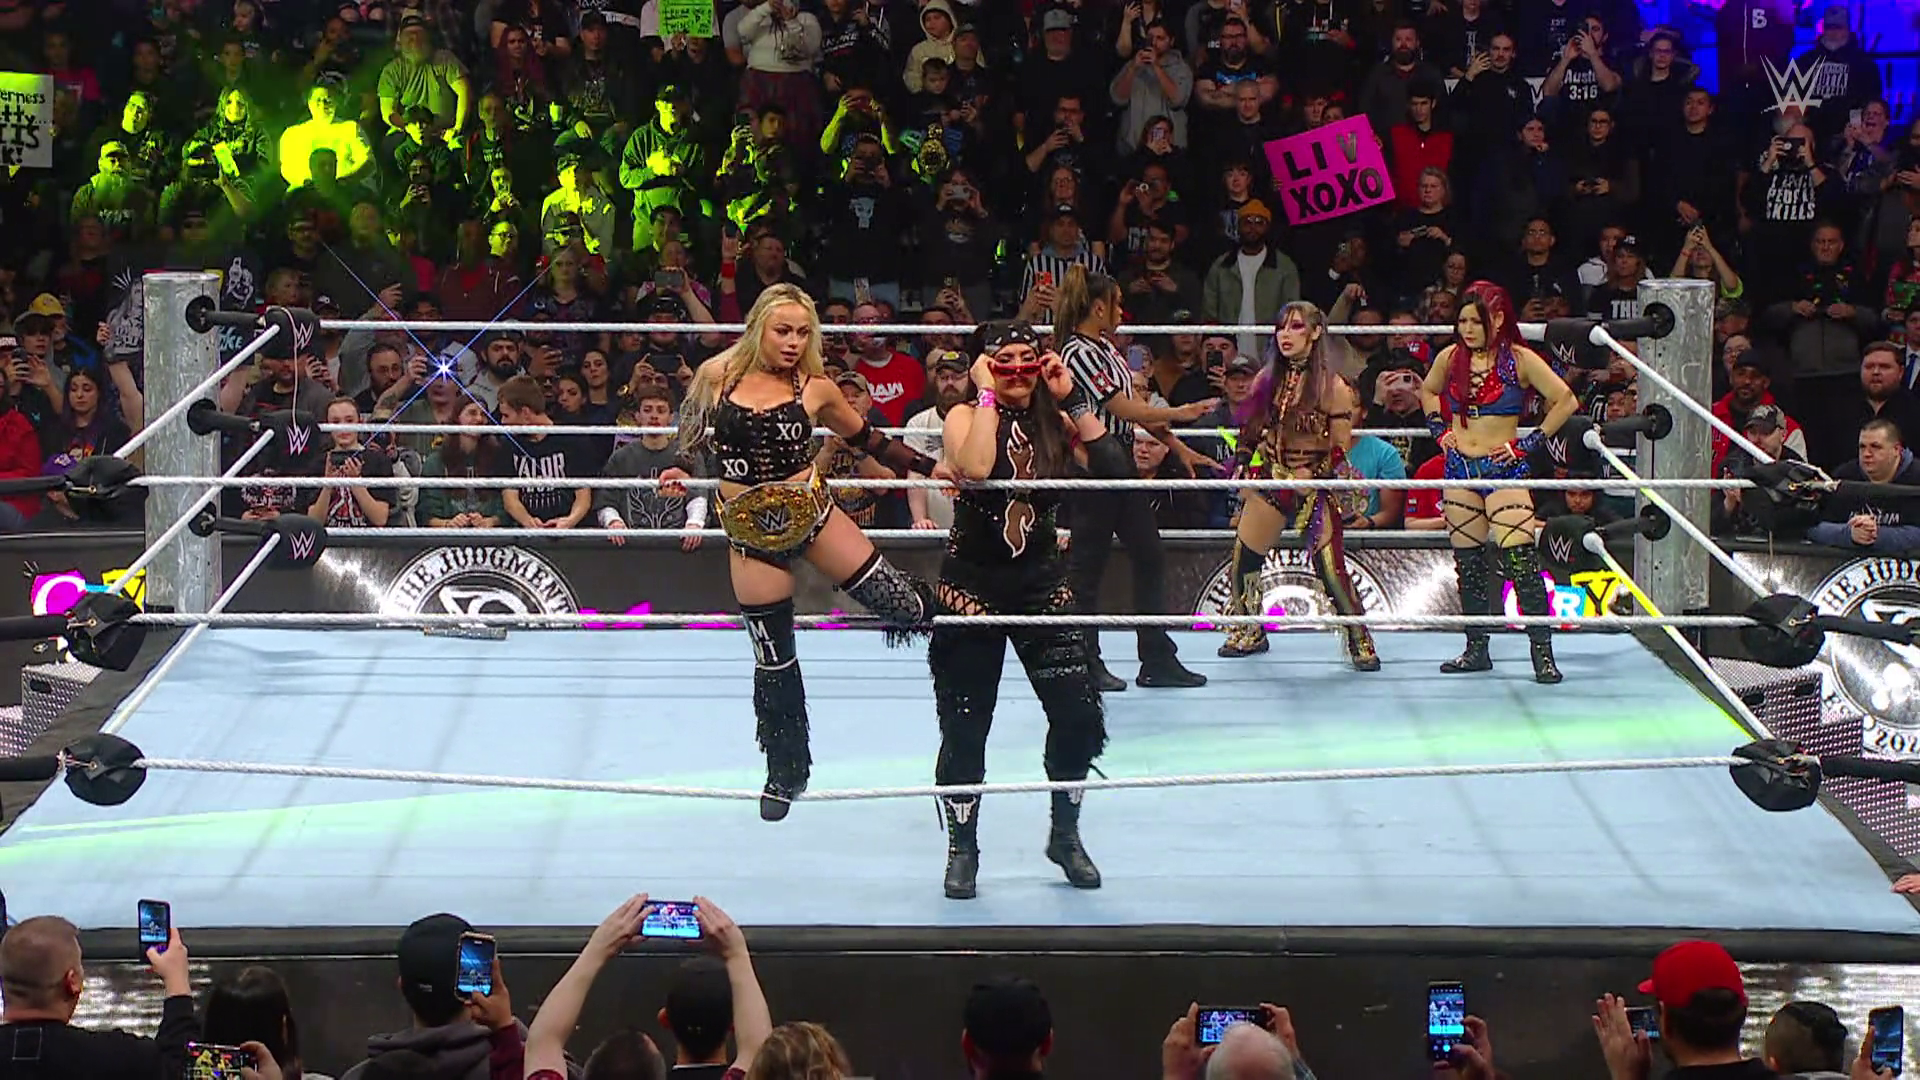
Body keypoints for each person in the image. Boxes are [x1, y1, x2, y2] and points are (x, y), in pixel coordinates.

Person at [667, 283, 945, 822]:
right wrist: (678, 470)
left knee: (903, 605)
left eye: (802, 332)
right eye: (783, 331)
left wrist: (933, 468)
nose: (793, 342)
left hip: (813, 514)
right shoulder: (715, 377)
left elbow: (868, 439)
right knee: (774, 659)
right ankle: (785, 769)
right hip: (749, 530)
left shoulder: (816, 387)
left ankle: (963, 626)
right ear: (758, 328)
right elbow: (692, 444)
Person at [930, 320, 1134, 900]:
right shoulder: (964, 416)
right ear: (984, 365)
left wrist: (1073, 397)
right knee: (966, 724)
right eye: (1004, 360)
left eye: (1027, 358)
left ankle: (1065, 834)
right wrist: (986, 393)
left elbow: (1115, 472)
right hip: (971, 587)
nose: (1018, 370)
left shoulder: (1056, 420)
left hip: (1042, 583)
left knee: (1078, 715)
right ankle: (963, 848)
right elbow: (976, 467)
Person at [1054, 265, 1214, 691]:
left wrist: (1177, 446)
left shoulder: (1106, 348)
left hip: (1121, 457)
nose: (1122, 311)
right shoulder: (1077, 352)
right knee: (1087, 565)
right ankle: (1084, 663)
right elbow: (1122, 408)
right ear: (1098, 307)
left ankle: (1156, 659)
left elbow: (1135, 409)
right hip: (1096, 462)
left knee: (1149, 554)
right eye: (1117, 303)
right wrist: (1180, 412)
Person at [1420, 281, 1578, 684]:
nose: (1467, 329)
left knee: (1522, 562)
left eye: (1476, 321)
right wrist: (1439, 429)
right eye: (1462, 322)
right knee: (1469, 565)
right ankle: (1476, 649)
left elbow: (1565, 400)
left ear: (1498, 319)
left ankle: (1543, 655)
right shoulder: (1450, 357)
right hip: (1460, 467)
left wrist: (1529, 443)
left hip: (1502, 469)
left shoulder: (1519, 359)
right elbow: (1428, 390)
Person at [1217, 290, 1378, 670]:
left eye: (1296, 328)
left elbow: (1339, 447)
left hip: (1315, 483)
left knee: (1329, 568)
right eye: (1280, 328)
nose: (1285, 336)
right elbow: (1251, 427)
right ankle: (1250, 630)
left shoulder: (1334, 387)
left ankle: (1359, 638)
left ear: (1316, 332)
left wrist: (1314, 475)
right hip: (1274, 476)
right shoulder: (1266, 379)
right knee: (1244, 558)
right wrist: (1243, 461)